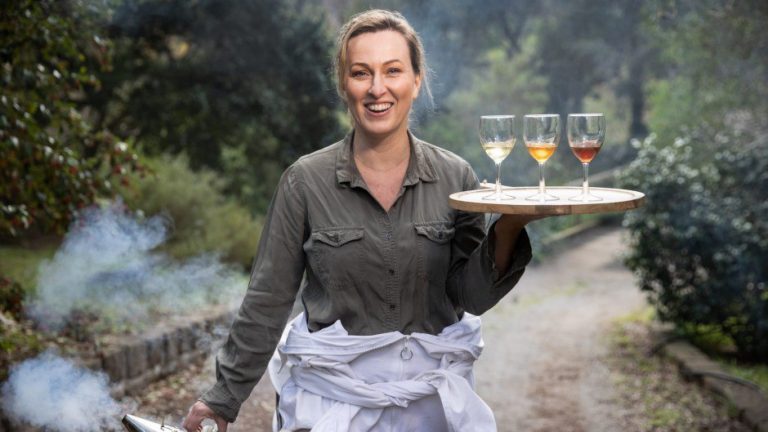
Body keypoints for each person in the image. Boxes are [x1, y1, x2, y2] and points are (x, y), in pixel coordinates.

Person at [184, 9, 541, 432]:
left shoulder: (455, 177)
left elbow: (472, 297)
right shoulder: (304, 181)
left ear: (416, 80)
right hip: (328, 406)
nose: (376, 88)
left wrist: (509, 227)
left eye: (393, 70)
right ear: (344, 84)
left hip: (430, 410)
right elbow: (268, 299)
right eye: (360, 73)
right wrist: (222, 399)